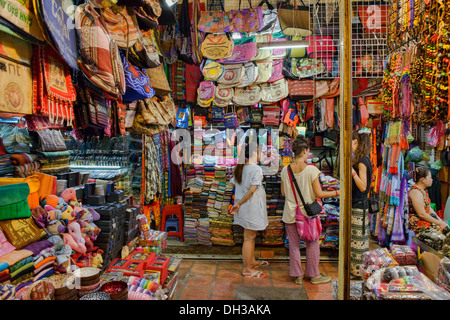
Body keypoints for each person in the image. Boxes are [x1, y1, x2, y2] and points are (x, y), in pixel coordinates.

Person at [281, 136, 340, 285]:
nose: (309, 153)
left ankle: (298, 275)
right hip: (307, 213)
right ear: (305, 150)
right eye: (308, 151)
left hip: (290, 213)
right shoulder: (312, 170)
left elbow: (283, 193)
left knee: (294, 245)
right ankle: (314, 275)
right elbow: (319, 193)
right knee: (312, 243)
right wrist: (337, 193)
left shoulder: (285, 170)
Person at [230, 143, 269, 279]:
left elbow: (236, 185)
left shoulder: (241, 168)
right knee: (249, 237)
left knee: (250, 236)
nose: (261, 155)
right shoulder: (255, 169)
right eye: (260, 152)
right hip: (249, 207)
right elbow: (252, 190)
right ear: (254, 153)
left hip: (245, 208)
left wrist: (239, 203)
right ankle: (247, 269)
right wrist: (239, 204)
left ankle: (251, 261)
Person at [350, 131, 373, 277]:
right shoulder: (364, 160)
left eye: (352, 143)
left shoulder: (362, 162)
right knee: (359, 239)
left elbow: (363, 186)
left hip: (359, 205)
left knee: (359, 240)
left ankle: (358, 271)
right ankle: (358, 270)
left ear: (358, 143)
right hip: (360, 204)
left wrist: (352, 172)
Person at [409, 167, 448, 232]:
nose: (432, 180)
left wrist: (440, 220)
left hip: (424, 219)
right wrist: (439, 223)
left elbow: (429, 207)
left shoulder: (423, 190)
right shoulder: (416, 192)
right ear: (423, 179)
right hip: (417, 222)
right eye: (430, 178)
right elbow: (421, 214)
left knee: (445, 228)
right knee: (440, 233)